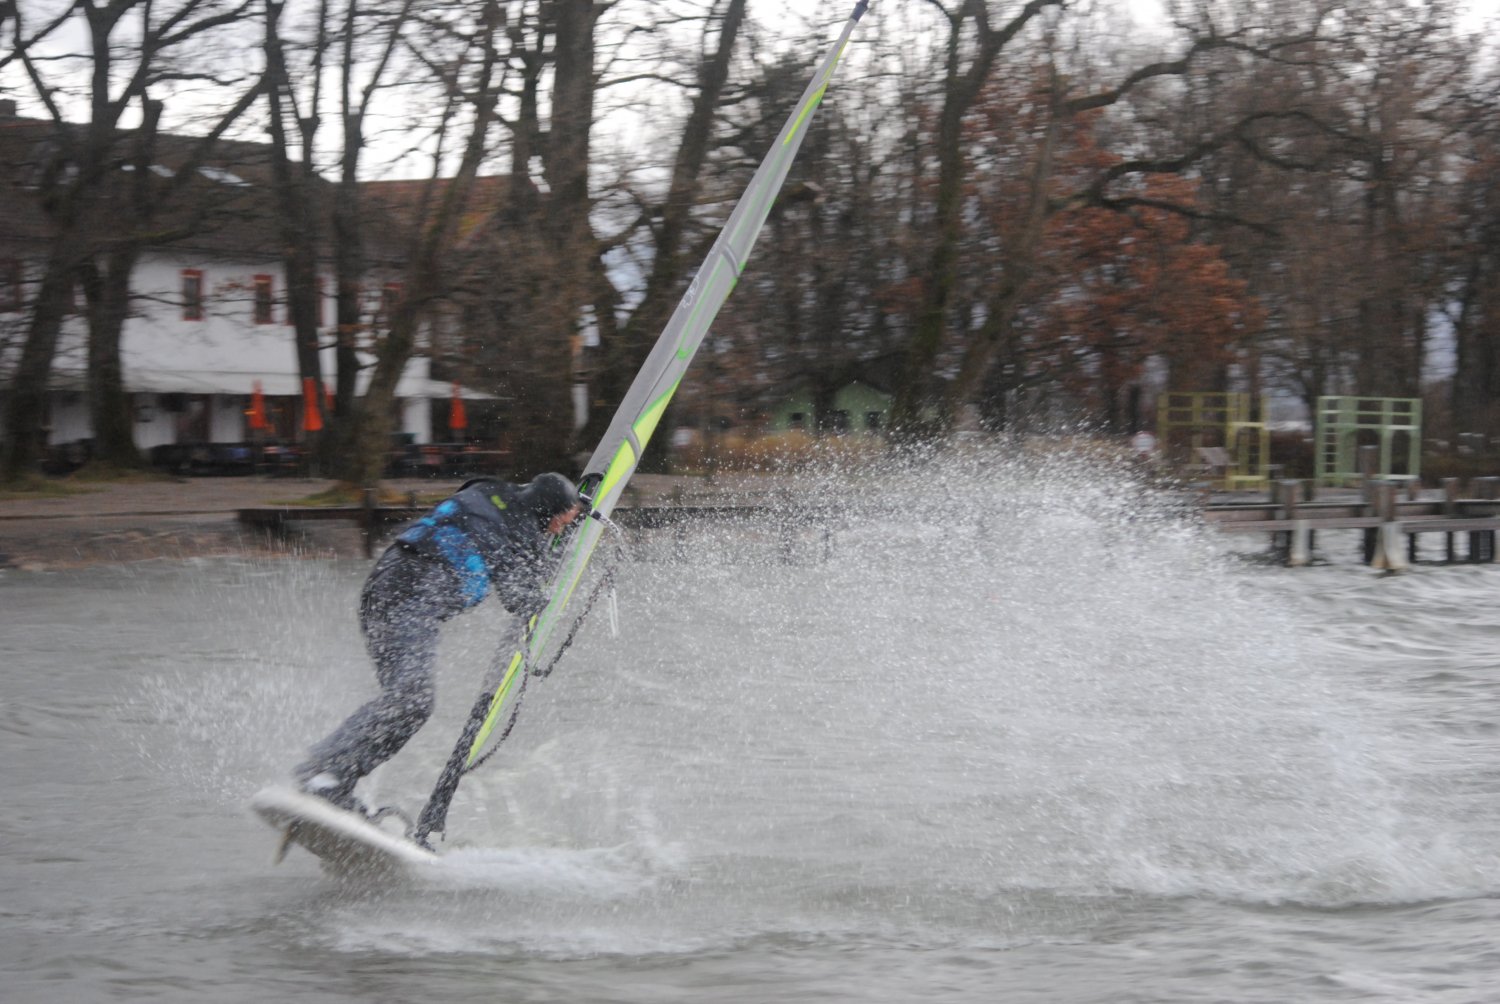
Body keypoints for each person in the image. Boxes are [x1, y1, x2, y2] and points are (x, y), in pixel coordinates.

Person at [294, 472, 584, 811]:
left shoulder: (489, 491)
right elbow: (523, 598)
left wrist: (560, 519)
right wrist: (557, 566)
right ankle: (323, 772)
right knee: (412, 701)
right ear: (546, 511)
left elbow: (505, 517)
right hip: (408, 602)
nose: (560, 530)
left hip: (380, 593)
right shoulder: (516, 531)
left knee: (407, 704)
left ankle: (332, 779)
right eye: (561, 523)